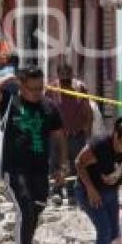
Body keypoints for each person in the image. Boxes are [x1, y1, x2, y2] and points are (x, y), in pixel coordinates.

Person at [0, 66, 67, 244]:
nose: (38, 92)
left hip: (40, 171)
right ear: (21, 85)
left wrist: (61, 166)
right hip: (15, 170)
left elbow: (59, 138)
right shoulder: (10, 101)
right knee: (26, 212)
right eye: (32, 88)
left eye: (41, 87)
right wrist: (8, 78)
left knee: (34, 215)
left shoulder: (49, 107)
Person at [48, 63, 93, 205]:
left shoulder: (80, 88)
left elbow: (88, 111)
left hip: (76, 135)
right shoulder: (51, 90)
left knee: (75, 164)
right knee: (56, 164)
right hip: (57, 136)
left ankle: (73, 193)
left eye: (68, 75)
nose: (65, 78)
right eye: (63, 76)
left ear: (72, 74)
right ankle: (57, 192)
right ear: (58, 75)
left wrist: (88, 133)